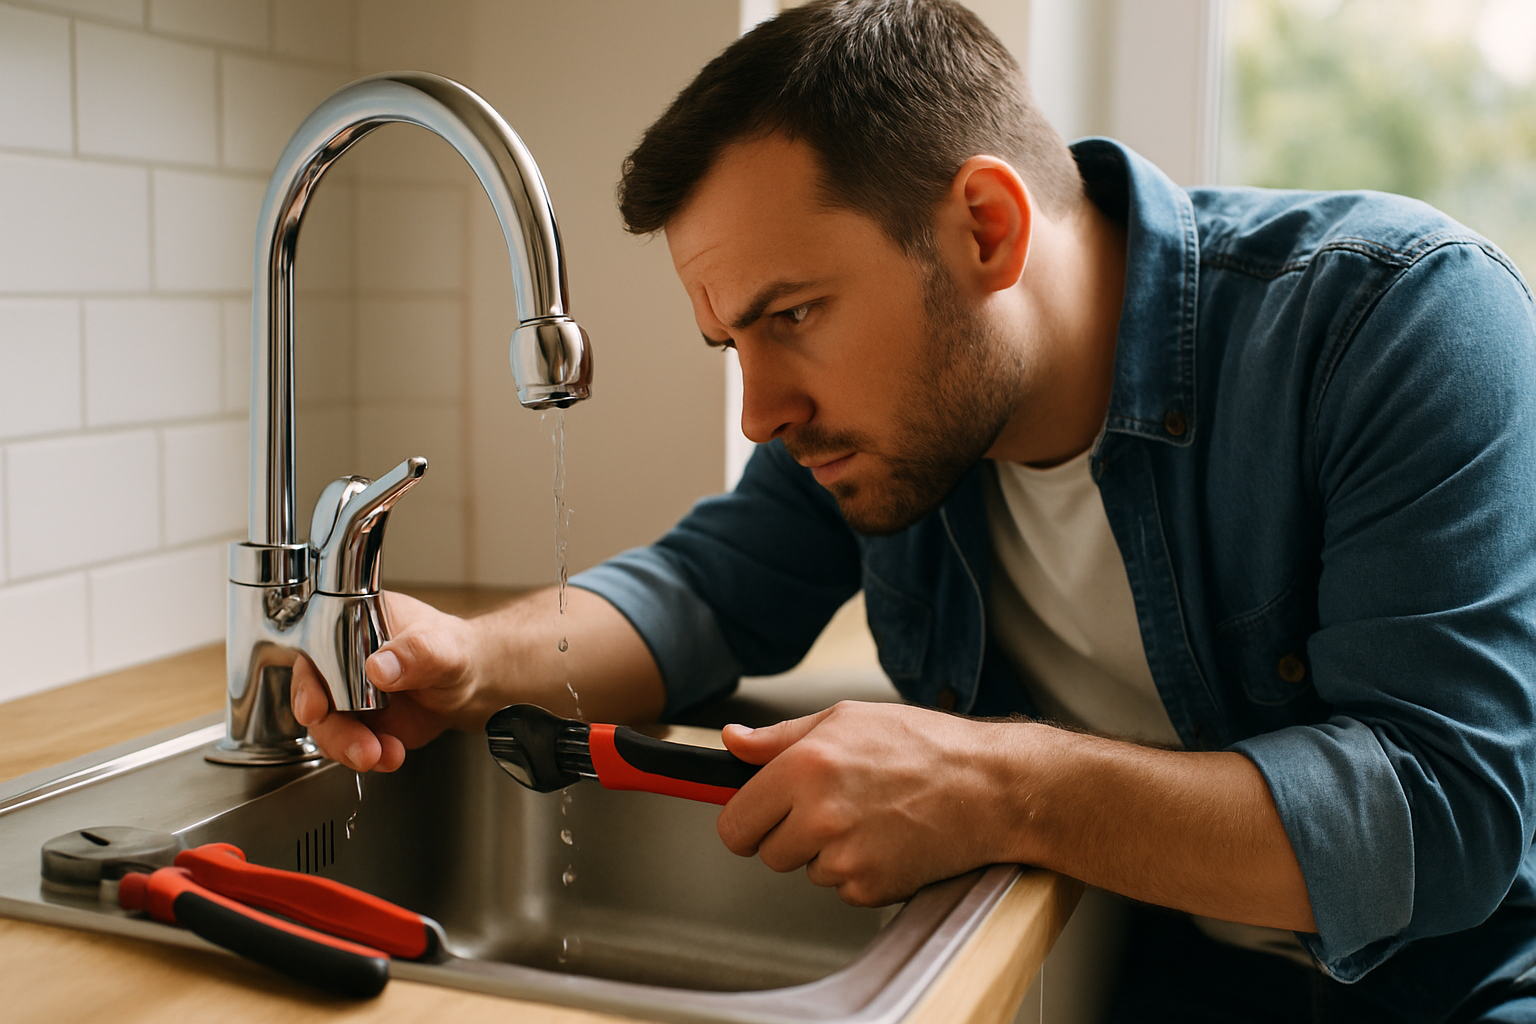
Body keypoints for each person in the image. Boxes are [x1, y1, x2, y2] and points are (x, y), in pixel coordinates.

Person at [291, 1, 1536, 1019]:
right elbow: (705, 590)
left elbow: (1444, 817)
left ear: (985, 229)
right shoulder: (896, 427)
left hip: (1467, 984)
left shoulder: (1399, 322)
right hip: (1174, 966)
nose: (759, 412)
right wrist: (471, 661)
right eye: (734, 342)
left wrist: (996, 783)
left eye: (792, 315)